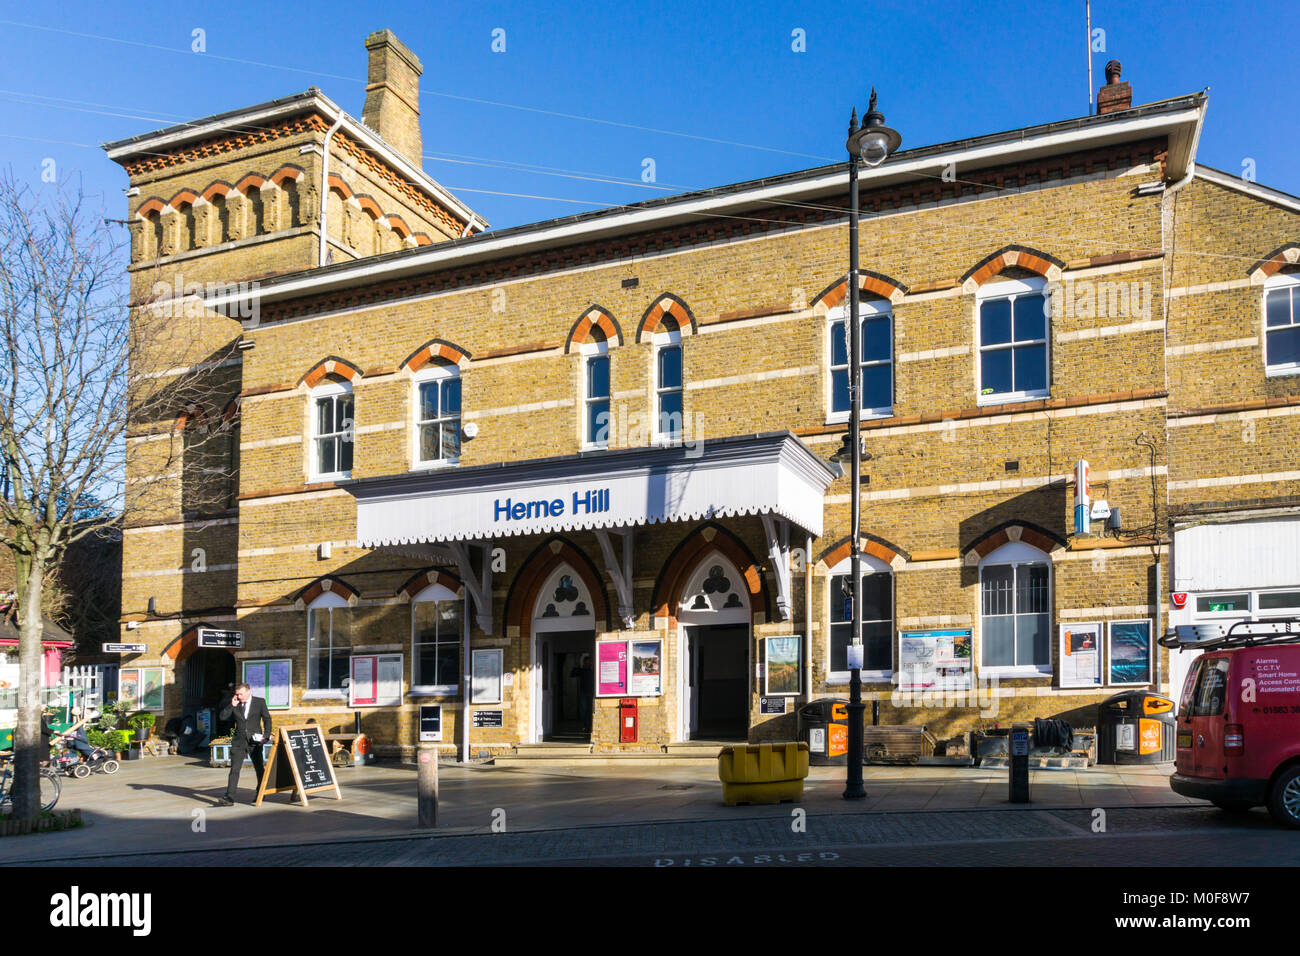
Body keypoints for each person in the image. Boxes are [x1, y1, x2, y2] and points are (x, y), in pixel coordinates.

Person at [217, 683, 272, 806]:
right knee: (234, 769)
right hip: (239, 741)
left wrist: (266, 736)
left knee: (259, 768)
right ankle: (229, 797)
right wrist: (232, 705)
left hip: (255, 741)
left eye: (240, 694)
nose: (238, 696)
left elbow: (267, 719)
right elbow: (222, 717)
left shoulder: (259, 702)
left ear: (248, 692)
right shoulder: (235, 703)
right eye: (237, 694)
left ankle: (261, 792)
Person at [570, 654, 594, 735]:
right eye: (586, 662)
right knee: (584, 710)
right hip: (583, 692)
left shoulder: (592, 671)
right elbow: (572, 674)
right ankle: (586, 726)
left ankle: (588, 726)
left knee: (589, 710)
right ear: (584, 663)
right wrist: (576, 666)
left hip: (590, 692)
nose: (587, 664)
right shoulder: (582, 670)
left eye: (589, 662)